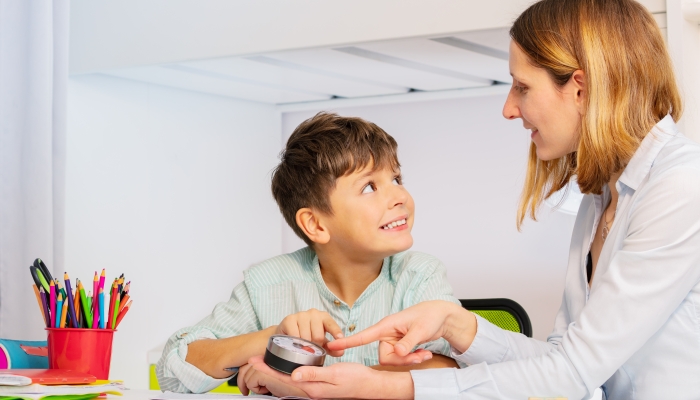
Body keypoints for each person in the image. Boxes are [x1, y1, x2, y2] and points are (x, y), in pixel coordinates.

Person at [238, 0, 700, 398]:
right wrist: (457, 324)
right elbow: (563, 354)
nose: (509, 108)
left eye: (522, 87)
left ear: (578, 87)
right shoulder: (601, 199)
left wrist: (391, 387)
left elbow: (574, 373)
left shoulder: (680, 187)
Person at [156, 112, 463, 395]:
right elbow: (172, 370)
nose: (400, 196)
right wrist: (271, 339)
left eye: (396, 179)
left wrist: (303, 385)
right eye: (370, 187)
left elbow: (455, 373)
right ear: (315, 224)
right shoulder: (267, 283)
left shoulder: (420, 275)